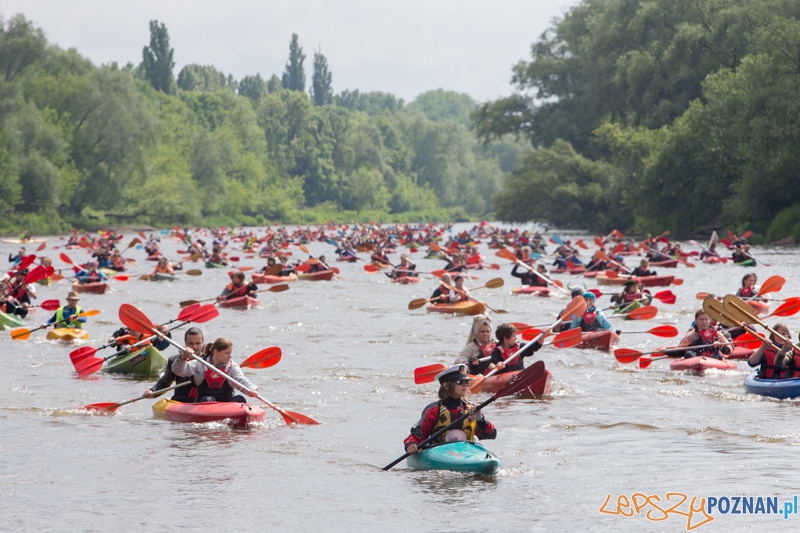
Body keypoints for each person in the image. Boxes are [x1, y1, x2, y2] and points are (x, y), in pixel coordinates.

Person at [403, 364, 496, 455]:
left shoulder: (472, 410)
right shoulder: (434, 409)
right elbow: (417, 436)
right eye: (460, 381)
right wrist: (411, 444)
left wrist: (480, 420)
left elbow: (491, 434)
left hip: (467, 453)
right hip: (439, 454)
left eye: (466, 382)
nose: (465, 385)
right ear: (446, 385)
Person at [171, 337, 258, 403]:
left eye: (230, 353)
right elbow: (177, 371)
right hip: (206, 403)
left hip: (227, 405)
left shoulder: (232, 367)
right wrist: (183, 357)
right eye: (227, 353)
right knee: (208, 400)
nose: (230, 356)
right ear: (216, 352)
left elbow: (242, 381)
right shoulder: (200, 364)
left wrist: (252, 389)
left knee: (240, 399)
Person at [143, 327, 205, 402]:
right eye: (191, 343)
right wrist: (153, 391)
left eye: (198, 343)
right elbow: (165, 382)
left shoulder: (210, 361)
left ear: (203, 342)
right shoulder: (174, 360)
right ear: (185, 343)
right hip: (181, 401)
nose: (195, 347)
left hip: (203, 401)